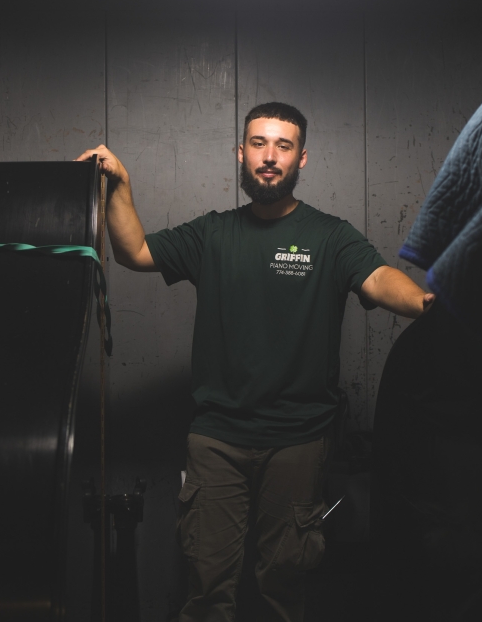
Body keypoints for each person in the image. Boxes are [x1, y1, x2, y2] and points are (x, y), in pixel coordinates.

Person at [77, 102, 434, 622]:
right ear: (240, 153)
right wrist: (120, 185)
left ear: (302, 158)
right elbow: (134, 251)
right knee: (206, 590)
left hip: (298, 440)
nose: (270, 157)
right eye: (260, 144)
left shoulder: (330, 236)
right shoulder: (213, 234)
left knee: (282, 589)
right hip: (218, 438)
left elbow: (380, 279)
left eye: (283, 147)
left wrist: (427, 306)